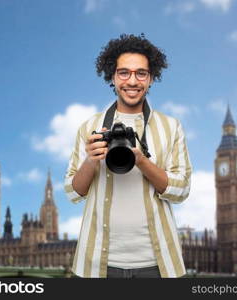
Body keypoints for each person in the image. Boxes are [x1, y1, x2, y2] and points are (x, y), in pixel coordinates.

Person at [64, 34, 192, 278]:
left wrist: (141, 160)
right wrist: (91, 160)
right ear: (112, 77)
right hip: (97, 265)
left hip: (158, 265)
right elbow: (72, 193)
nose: (132, 81)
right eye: (124, 73)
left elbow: (181, 190)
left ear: (151, 78)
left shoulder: (171, 126)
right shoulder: (89, 126)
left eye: (141, 73)